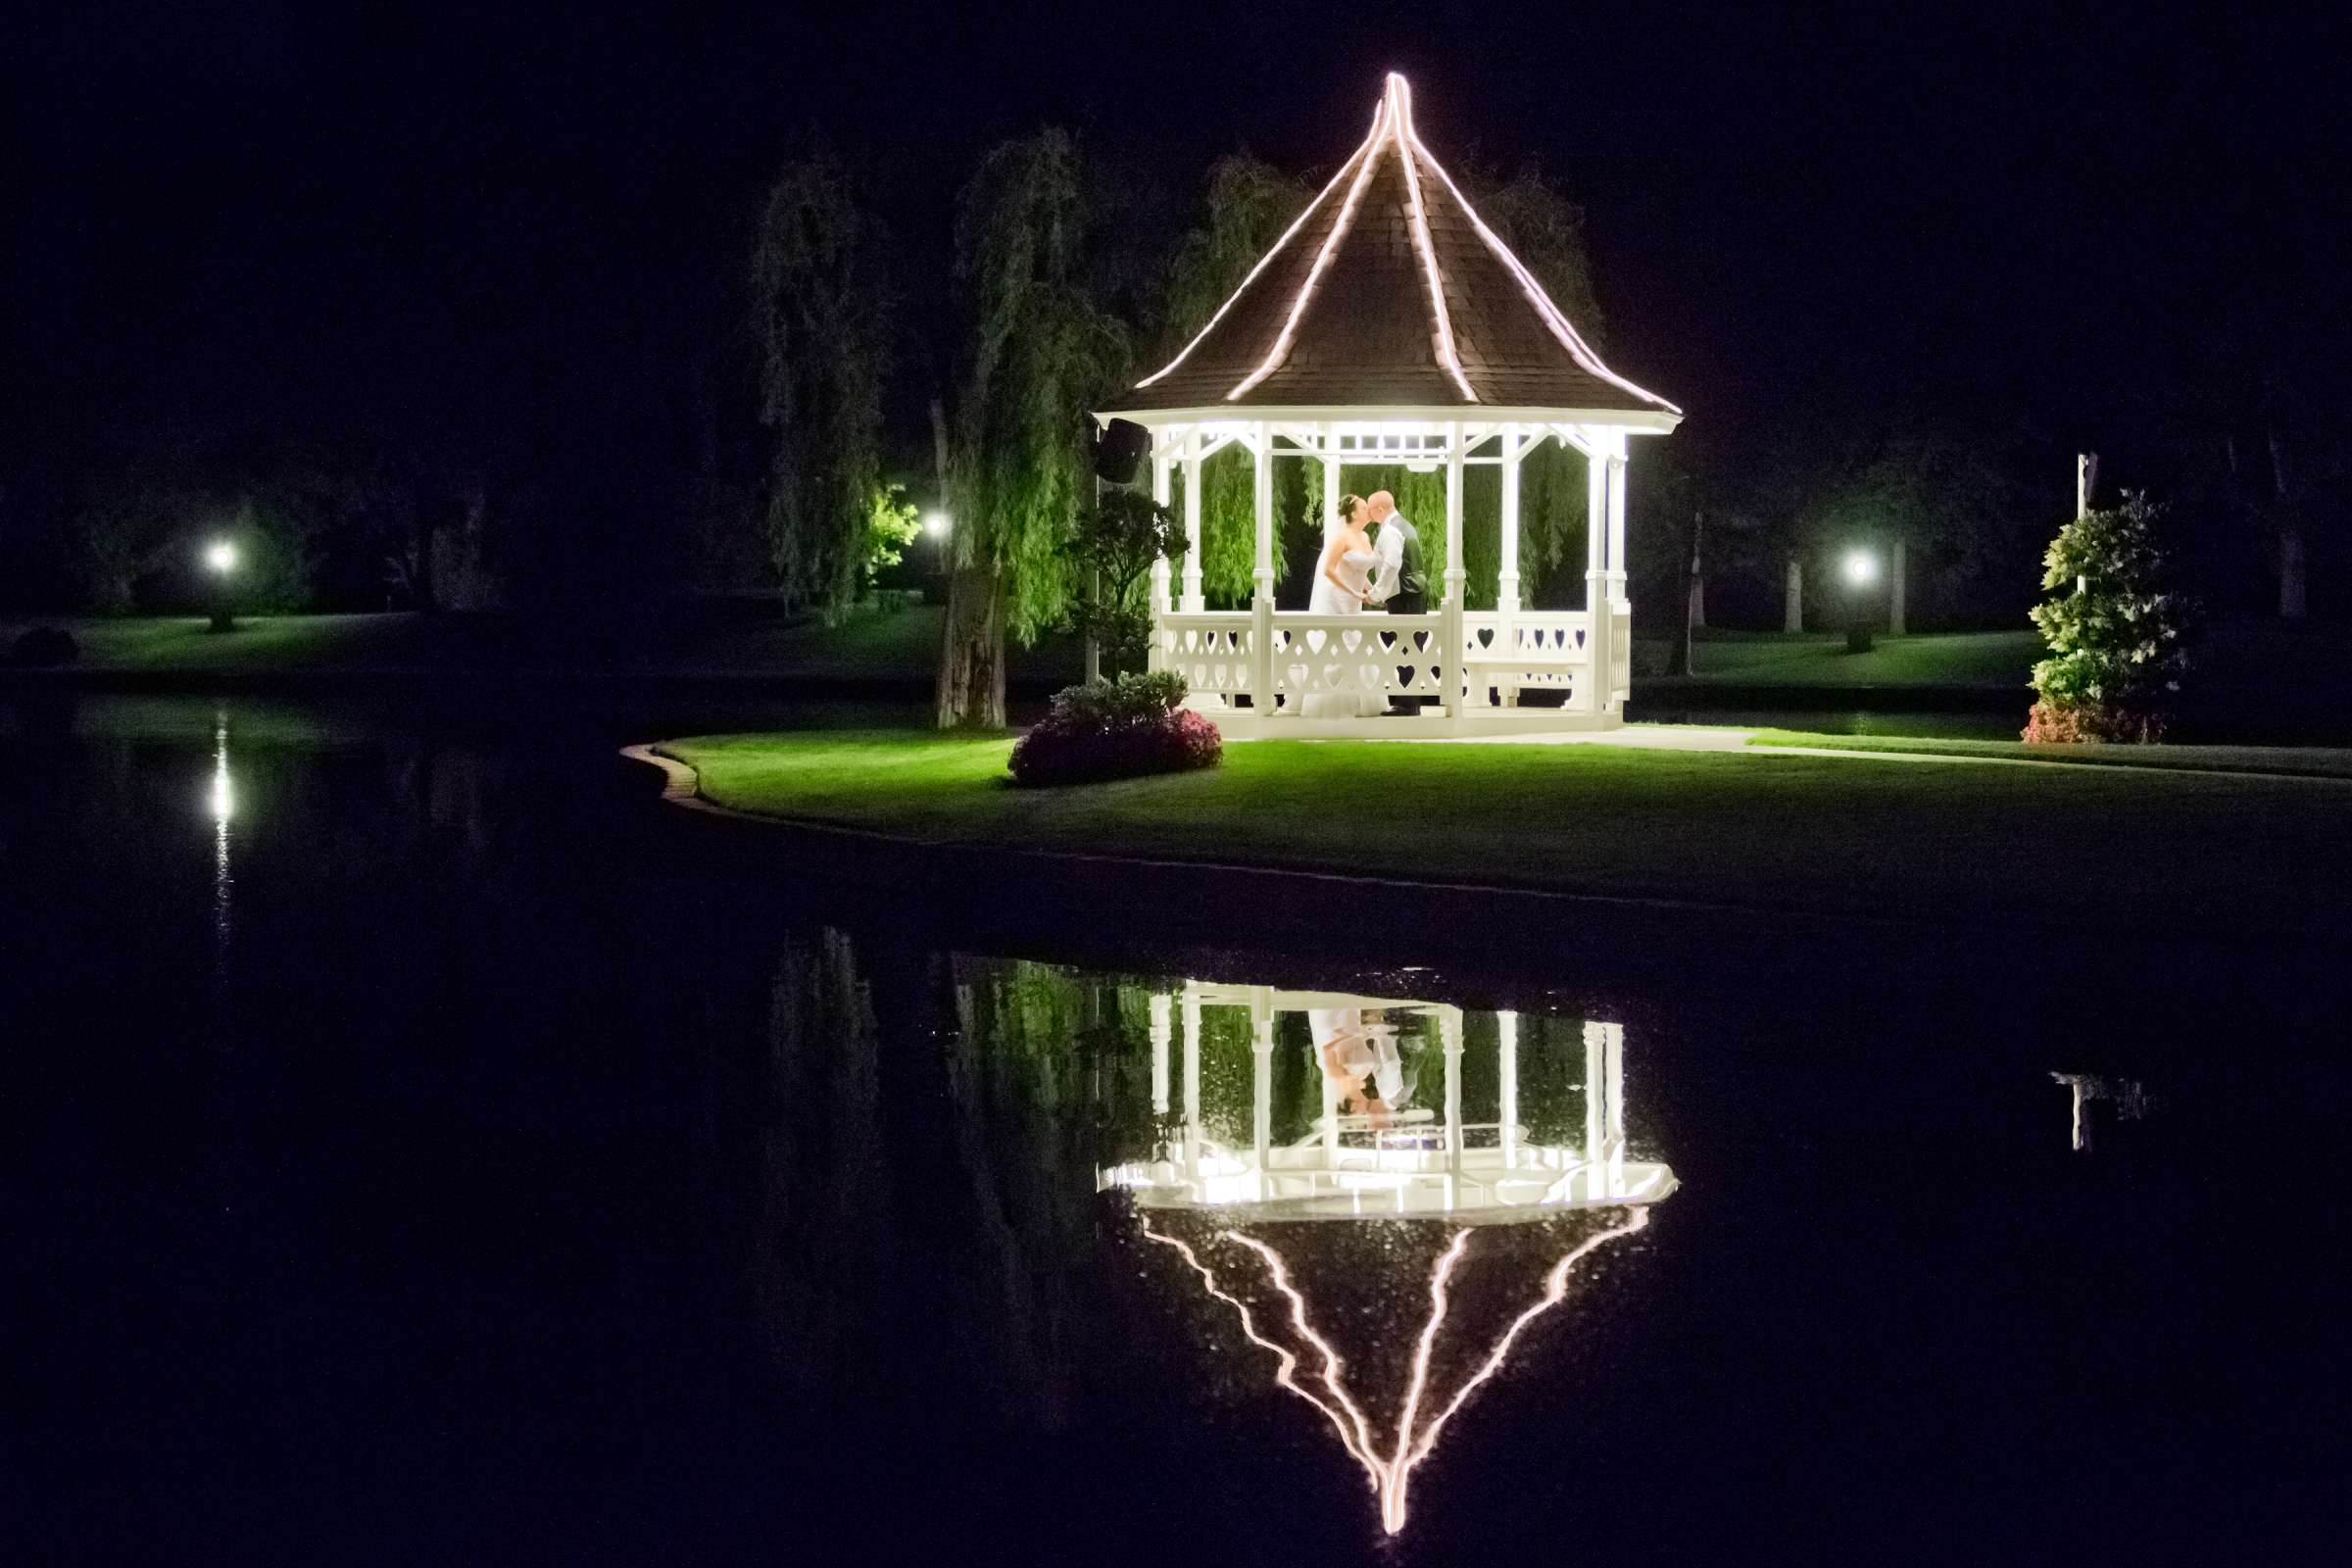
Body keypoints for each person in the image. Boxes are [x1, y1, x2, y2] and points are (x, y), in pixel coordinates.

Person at [1300, 494, 1386, 718]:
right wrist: (1354, 592)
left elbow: (1360, 570)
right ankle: (1331, 704)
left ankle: (1361, 702)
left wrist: (1372, 590)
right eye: (1364, 507)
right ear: (1353, 513)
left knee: (1356, 644)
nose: (1369, 510)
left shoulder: (1366, 537)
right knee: (1337, 644)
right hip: (1337, 597)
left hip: (1353, 601)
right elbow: (1329, 570)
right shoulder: (1342, 538)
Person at [1361, 490, 1431, 713]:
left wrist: (1377, 593)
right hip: (1413, 592)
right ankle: (1409, 703)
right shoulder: (1405, 526)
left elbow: (1391, 564)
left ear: (1380, 509)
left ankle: (1406, 704)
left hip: (1404, 594)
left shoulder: (1390, 530)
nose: (1369, 516)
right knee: (1410, 647)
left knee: (1405, 647)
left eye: (1370, 511)